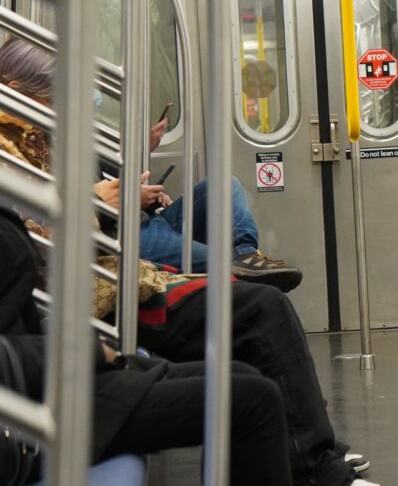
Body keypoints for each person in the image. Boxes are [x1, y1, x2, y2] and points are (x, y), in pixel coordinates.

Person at [0, 38, 376, 486]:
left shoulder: (41, 139)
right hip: (104, 269)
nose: (61, 107)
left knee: (224, 195)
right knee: (260, 311)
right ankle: (314, 462)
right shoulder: (14, 152)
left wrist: (123, 182)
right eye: (52, 98)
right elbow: (29, 245)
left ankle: (243, 260)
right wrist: (93, 204)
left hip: (113, 245)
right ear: (17, 90)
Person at [0, 206, 292, 486]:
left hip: (34, 381)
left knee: (244, 375)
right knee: (253, 400)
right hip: (24, 417)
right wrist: (85, 352)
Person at [92, 111, 303, 293]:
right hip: (126, 232)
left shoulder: (89, 142)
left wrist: (148, 197)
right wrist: (131, 198)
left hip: (149, 217)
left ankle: (245, 254)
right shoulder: (62, 154)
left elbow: (113, 181)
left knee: (222, 183)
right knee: (221, 263)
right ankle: (244, 276)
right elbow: (97, 206)